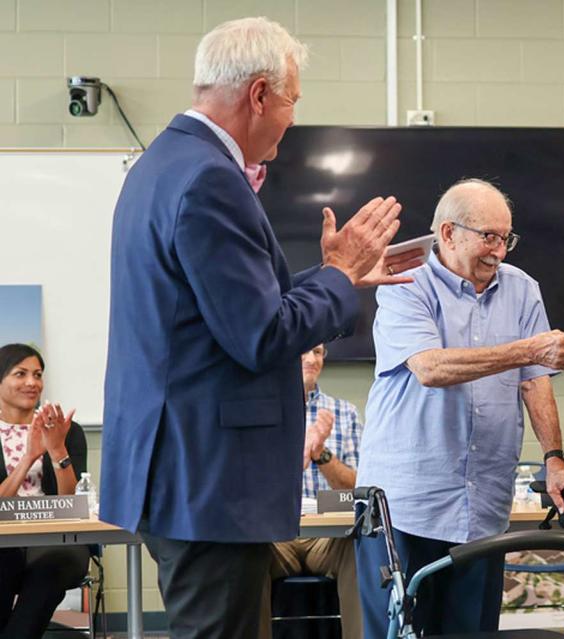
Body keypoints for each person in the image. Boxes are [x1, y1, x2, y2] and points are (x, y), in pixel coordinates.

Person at [98, 17, 418, 639]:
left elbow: (222, 309)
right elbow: (260, 336)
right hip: (208, 477)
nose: (294, 118)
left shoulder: (163, 164)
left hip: (180, 468)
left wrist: (339, 277)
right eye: (294, 99)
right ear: (260, 93)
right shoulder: (211, 179)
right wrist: (337, 275)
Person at [355, 178, 564, 638]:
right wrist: (528, 350)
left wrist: (555, 459)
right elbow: (430, 368)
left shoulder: (522, 289)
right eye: (488, 237)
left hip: (483, 506)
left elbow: (534, 380)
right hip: (406, 504)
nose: (499, 251)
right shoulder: (404, 283)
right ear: (448, 233)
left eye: (506, 238)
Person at [259, 343, 363, 639]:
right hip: (276, 534)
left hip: (327, 536)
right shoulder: (262, 411)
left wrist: (321, 455)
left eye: (318, 352)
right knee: (246, 552)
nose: (312, 359)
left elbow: (358, 490)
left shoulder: (344, 412)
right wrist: (294, 453)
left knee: (360, 547)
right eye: (303, 351)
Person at [0, 343, 89, 639]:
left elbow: (72, 502)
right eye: (20, 373)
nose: (31, 383)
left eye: (37, 374)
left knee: (54, 565)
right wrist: (28, 458)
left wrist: (56, 451)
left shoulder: (66, 430)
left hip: (55, 540)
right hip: (3, 539)